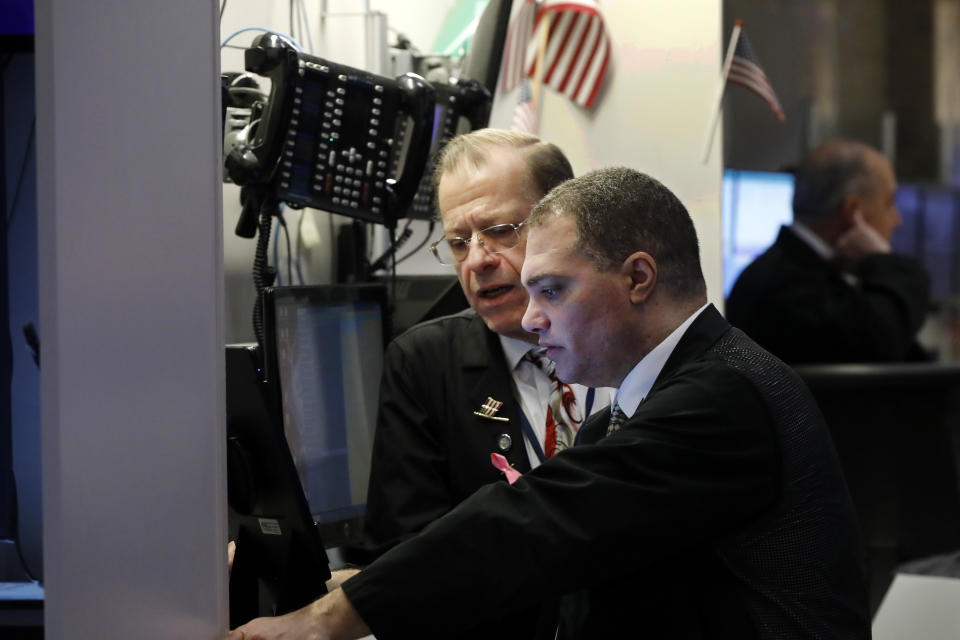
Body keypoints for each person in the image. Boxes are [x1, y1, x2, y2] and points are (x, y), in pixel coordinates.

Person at [225, 167, 870, 640]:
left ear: (638, 278)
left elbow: (533, 521)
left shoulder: (721, 397)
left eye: (553, 291)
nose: (531, 319)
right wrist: (368, 586)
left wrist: (328, 620)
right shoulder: (666, 393)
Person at [354, 129, 612, 638]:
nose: (477, 260)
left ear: (568, 222)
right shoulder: (424, 363)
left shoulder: (629, 338)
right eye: (457, 241)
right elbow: (407, 557)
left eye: (499, 230)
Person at [726, 139, 932, 364]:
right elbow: (881, 339)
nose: (897, 219)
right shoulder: (785, 287)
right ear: (852, 211)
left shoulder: (799, 269)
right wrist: (882, 260)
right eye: (889, 203)